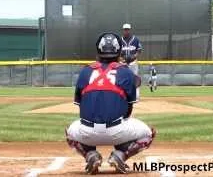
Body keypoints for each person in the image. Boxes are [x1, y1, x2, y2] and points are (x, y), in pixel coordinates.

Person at [65, 32, 156, 174]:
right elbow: (128, 111)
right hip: (117, 131)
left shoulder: (85, 71)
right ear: (119, 50)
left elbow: (81, 107)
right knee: (149, 134)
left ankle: (90, 155)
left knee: (69, 132)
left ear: (98, 50)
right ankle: (120, 155)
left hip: (87, 132)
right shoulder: (125, 72)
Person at [120, 23, 143, 99]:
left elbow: (139, 50)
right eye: (125, 29)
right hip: (123, 62)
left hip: (133, 62)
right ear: (123, 30)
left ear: (130, 30)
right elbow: (117, 52)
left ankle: (136, 96)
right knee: (122, 78)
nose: (126, 31)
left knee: (135, 78)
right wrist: (121, 59)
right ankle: (122, 95)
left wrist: (134, 56)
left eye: (128, 29)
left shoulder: (135, 39)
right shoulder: (120, 40)